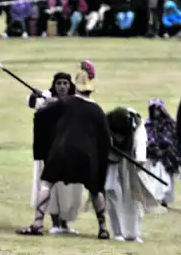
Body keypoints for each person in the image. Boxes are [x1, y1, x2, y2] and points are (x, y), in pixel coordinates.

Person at [18, 61, 112, 238]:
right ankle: (103, 228)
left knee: (46, 183)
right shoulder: (97, 110)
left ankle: (37, 224)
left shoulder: (65, 103)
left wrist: (50, 103)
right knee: (95, 189)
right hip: (87, 156)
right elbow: (105, 140)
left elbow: (41, 115)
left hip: (61, 152)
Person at [28, 72, 81, 234]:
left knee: (68, 189)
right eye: (59, 83)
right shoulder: (46, 100)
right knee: (51, 188)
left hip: (69, 152)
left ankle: (65, 224)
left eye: (65, 83)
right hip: (49, 152)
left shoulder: (76, 102)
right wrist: (35, 95)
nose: (62, 87)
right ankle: (55, 222)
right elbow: (33, 104)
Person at [105, 107, 158, 242]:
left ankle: (133, 233)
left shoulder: (137, 124)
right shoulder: (106, 121)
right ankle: (117, 232)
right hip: (111, 161)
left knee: (133, 197)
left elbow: (141, 143)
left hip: (131, 161)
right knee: (111, 192)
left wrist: (139, 159)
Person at [145, 98, 181, 207]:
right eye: (153, 109)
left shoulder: (170, 123)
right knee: (155, 178)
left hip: (167, 156)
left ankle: (163, 200)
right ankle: (156, 199)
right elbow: (147, 139)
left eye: (158, 109)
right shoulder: (148, 124)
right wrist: (154, 149)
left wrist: (166, 148)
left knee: (166, 178)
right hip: (154, 157)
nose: (156, 112)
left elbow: (174, 138)